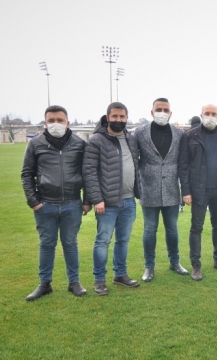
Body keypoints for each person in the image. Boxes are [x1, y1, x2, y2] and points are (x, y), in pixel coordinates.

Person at [21, 105, 91, 301]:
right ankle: (45, 284)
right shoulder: (35, 144)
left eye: (60, 120)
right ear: (45, 123)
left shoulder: (80, 144)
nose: (56, 124)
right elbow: (27, 174)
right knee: (47, 244)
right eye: (51, 121)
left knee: (70, 244)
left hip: (72, 204)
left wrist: (87, 201)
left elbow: (87, 173)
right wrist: (33, 201)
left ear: (68, 122)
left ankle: (74, 282)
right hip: (45, 204)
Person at [84, 102, 140, 295]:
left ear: (127, 118)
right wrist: (97, 199)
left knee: (123, 241)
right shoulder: (96, 141)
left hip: (129, 201)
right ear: (107, 117)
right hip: (107, 203)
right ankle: (99, 280)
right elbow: (89, 172)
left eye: (122, 116)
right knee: (103, 241)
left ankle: (120, 274)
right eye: (115, 116)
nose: (118, 120)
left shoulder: (131, 139)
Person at [178, 104, 217, 281]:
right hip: (198, 190)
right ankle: (196, 265)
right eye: (207, 113)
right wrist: (186, 191)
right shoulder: (190, 135)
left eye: (213, 113)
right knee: (197, 227)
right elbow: (183, 165)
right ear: (201, 115)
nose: (210, 116)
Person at [135, 98, 188, 282]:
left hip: (172, 189)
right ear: (152, 112)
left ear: (171, 113)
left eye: (166, 110)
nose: (162, 113)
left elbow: (183, 163)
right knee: (149, 229)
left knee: (172, 229)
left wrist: (185, 189)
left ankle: (175, 262)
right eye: (159, 109)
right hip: (149, 188)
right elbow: (134, 160)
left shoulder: (179, 133)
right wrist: (138, 186)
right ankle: (149, 266)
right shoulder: (139, 132)